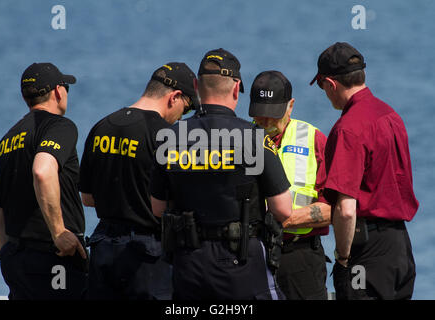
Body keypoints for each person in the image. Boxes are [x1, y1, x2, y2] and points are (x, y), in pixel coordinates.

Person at [150, 48, 293, 300]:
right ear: (236, 88)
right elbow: (283, 209)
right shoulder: (254, 139)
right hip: (242, 263)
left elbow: (158, 208)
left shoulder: (170, 137)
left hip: (188, 264)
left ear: (196, 86)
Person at [79, 62, 198, 299]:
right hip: (148, 253)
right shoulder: (167, 136)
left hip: (103, 247)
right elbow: (180, 200)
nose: (180, 119)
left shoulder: (101, 126)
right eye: (185, 110)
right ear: (174, 97)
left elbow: (88, 198)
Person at [310, 42, 419, 299]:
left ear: (330, 84)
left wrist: (343, 258)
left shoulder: (348, 128)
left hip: (367, 251)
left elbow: (347, 211)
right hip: (401, 248)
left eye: (322, 87)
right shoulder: (391, 116)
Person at [0, 62, 87, 300]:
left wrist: (10, 255)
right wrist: (59, 233)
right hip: (54, 258)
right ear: (58, 91)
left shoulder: (8, 139)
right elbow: (42, 171)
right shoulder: (59, 126)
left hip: (18, 261)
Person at [249, 70, 331, 300]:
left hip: (300, 257)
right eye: (258, 115)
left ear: (290, 106)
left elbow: (335, 209)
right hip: (250, 256)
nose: (265, 123)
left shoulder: (315, 140)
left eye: (272, 115)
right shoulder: (238, 139)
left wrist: (283, 219)